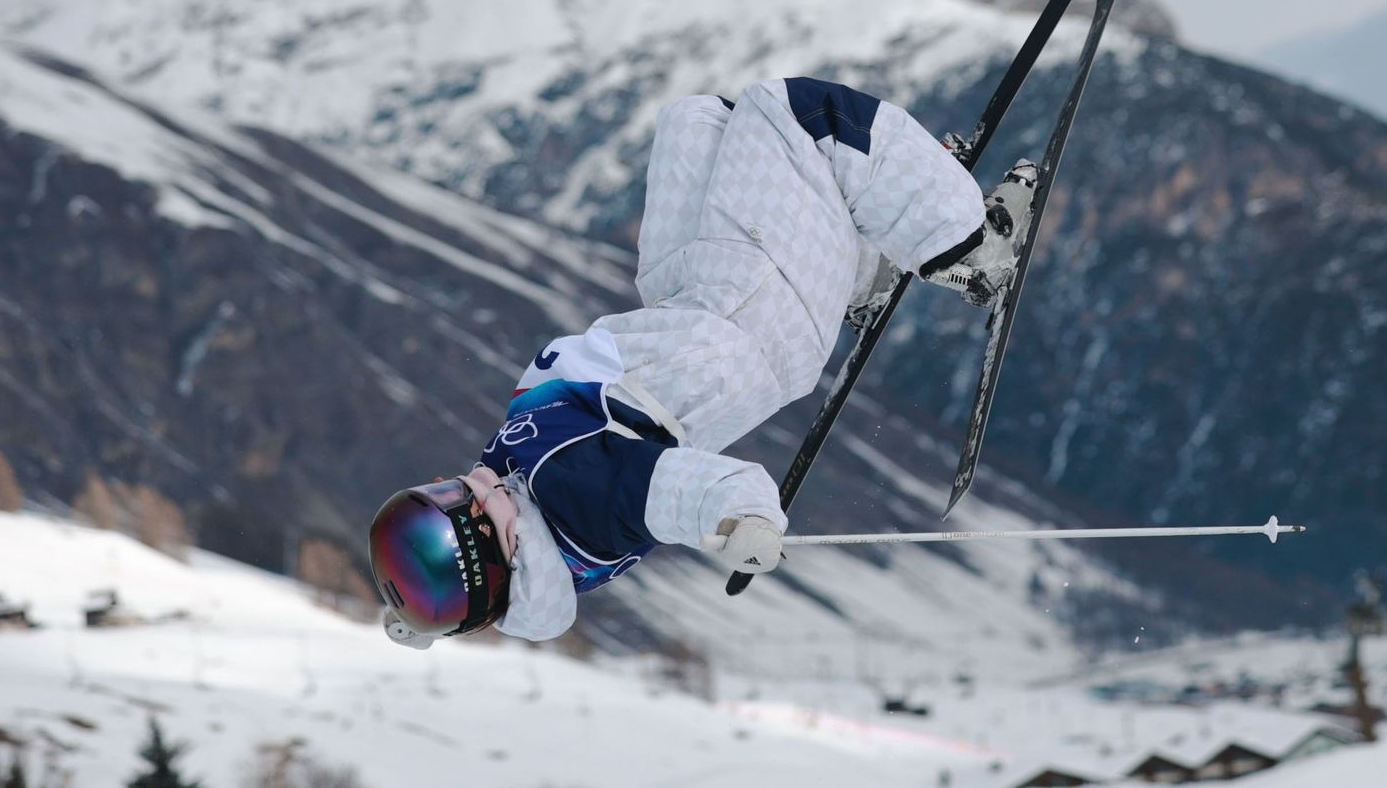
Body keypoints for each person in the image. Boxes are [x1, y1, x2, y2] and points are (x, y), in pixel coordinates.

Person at [368, 78, 1037, 646]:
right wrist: (737, 519)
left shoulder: (519, 488)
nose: (448, 482)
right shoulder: (576, 501)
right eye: (447, 506)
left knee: (697, 122)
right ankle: (969, 250)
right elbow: (674, 491)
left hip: (688, 302)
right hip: (745, 319)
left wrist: (416, 623)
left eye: (425, 500)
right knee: (797, 114)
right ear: (501, 550)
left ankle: (863, 269)